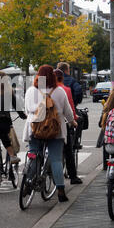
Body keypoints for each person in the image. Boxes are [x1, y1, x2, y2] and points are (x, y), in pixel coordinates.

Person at [23, 65, 77, 202]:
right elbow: (67, 111)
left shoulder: (31, 91)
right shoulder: (59, 91)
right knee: (56, 160)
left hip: (35, 129)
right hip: (55, 130)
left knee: (34, 155)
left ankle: (28, 181)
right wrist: (72, 122)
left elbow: (27, 110)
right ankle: (60, 191)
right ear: (53, 76)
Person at [0, 71, 27, 164]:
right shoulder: (8, 92)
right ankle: (12, 156)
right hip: (3, 122)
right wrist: (23, 116)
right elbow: (17, 106)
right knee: (5, 139)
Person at [54, 69, 82, 184]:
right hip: (59, 125)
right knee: (68, 149)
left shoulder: (40, 89)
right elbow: (69, 108)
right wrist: (73, 121)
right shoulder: (65, 90)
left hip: (40, 126)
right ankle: (73, 176)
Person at [57, 62, 84, 149]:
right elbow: (78, 90)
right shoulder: (71, 81)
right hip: (68, 107)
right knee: (80, 119)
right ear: (66, 70)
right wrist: (76, 101)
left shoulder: (51, 81)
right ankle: (76, 142)